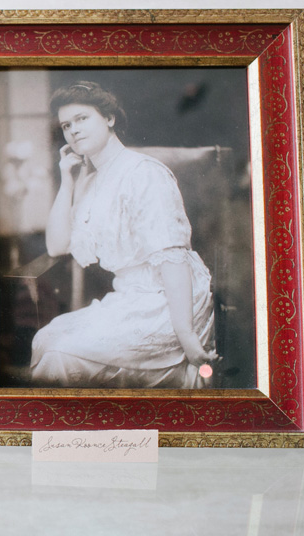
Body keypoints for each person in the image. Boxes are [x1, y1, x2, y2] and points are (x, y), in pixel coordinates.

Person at [30, 81, 217, 388]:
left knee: (61, 354)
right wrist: (67, 179)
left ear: (109, 119)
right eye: (66, 125)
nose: (73, 130)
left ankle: (74, 428)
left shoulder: (144, 173)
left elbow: (173, 259)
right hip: (130, 298)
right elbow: (57, 246)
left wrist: (187, 336)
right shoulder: (89, 181)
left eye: (82, 119)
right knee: (46, 338)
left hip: (172, 302)